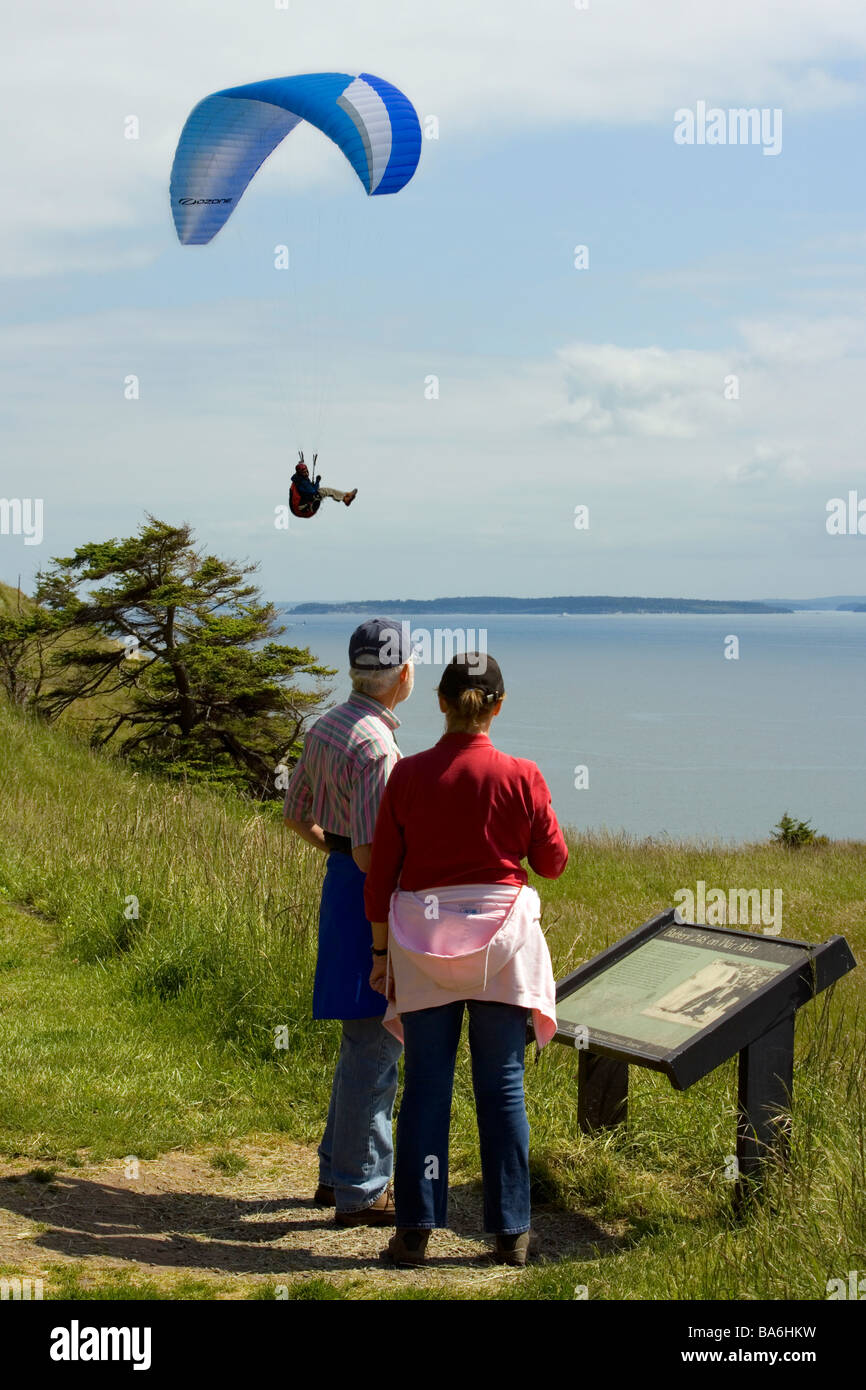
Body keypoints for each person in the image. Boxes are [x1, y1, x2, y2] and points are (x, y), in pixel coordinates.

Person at [364, 652, 568, 1267]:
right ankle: (510, 1234)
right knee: (502, 1089)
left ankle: (414, 1231)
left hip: (424, 944)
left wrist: (380, 955)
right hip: (503, 946)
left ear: (442, 703)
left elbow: (382, 878)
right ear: (498, 706)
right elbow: (552, 862)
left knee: (427, 1085)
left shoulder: (409, 776)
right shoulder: (521, 774)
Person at [283, 618, 413, 1225]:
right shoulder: (378, 748)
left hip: (340, 886)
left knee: (358, 1038)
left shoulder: (327, 725)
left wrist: (333, 850)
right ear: (404, 676)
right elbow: (371, 851)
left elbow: (294, 813)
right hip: (370, 898)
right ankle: (362, 1189)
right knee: (378, 1042)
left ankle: (337, 1172)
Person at [290, 452, 357, 517]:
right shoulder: (303, 482)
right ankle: (345, 498)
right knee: (323, 491)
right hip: (302, 509)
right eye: (304, 472)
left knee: (325, 491)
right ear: (300, 473)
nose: (306, 473)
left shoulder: (298, 478)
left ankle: (346, 496)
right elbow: (313, 491)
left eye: (306, 471)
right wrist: (317, 481)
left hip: (298, 507)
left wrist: (301, 463)